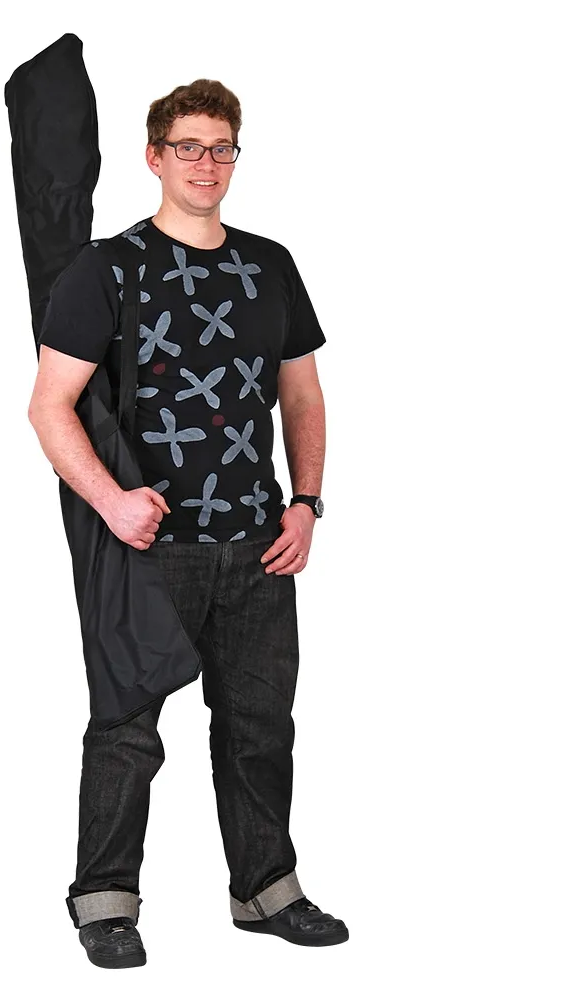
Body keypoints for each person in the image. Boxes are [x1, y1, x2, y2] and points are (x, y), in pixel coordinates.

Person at [27, 79, 346, 968]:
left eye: (221, 148)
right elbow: (49, 404)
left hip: (257, 542)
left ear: (235, 157)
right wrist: (112, 500)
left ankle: (266, 889)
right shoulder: (109, 268)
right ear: (154, 156)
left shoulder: (271, 266)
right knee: (127, 727)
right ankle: (104, 900)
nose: (206, 163)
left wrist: (306, 502)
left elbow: (301, 394)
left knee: (260, 724)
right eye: (188, 147)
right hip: (148, 546)